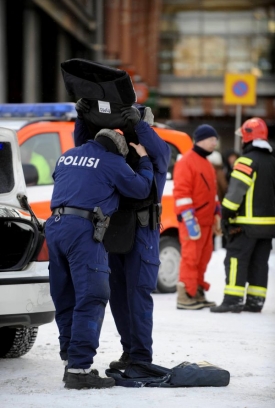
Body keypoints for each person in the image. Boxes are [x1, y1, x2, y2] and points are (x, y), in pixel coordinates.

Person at [45, 127, 154, 389]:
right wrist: (145, 160)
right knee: (92, 295)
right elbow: (140, 189)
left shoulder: (67, 156)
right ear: (118, 148)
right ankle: (80, 370)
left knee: (65, 296)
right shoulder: (112, 161)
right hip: (82, 230)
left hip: (54, 226)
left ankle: (70, 359)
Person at [74, 101, 171, 371]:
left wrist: (139, 124)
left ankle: (141, 356)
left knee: (137, 294)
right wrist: (82, 118)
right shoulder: (116, 153)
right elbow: (86, 145)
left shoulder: (154, 153)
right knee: (117, 295)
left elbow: (160, 152)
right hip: (114, 229)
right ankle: (129, 351)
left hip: (143, 231)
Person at [211, 117, 275, 313]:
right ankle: (256, 301)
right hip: (268, 227)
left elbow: (234, 194)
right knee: (259, 262)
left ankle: (233, 300)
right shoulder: (272, 162)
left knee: (236, 259)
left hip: (246, 224)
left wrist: (227, 216)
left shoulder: (246, 161)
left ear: (248, 138)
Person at [173, 124, 221, 310]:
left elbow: (212, 193)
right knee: (190, 258)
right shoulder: (186, 162)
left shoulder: (207, 164)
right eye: (211, 139)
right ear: (200, 139)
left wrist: (217, 213)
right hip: (193, 222)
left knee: (203, 259)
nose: (214, 143)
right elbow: (182, 193)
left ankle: (197, 292)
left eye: (215, 139)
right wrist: (189, 220)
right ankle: (184, 296)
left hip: (206, 223)